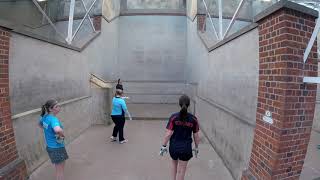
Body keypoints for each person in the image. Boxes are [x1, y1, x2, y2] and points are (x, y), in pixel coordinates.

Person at [159, 95, 200, 180]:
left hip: (174, 147)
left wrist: (163, 146)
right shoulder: (193, 119)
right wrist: (196, 147)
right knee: (182, 171)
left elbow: (169, 133)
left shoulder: (174, 117)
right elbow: (196, 135)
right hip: (186, 149)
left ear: (179, 104)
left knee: (174, 166)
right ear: (189, 104)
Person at [38, 99, 68, 180]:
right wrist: (62, 134)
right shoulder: (53, 119)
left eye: (58, 105)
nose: (59, 107)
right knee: (60, 171)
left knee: (58, 168)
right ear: (50, 109)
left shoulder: (44, 117)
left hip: (50, 147)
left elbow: (40, 124)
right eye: (56, 106)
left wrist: (48, 132)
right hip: (57, 147)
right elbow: (57, 129)